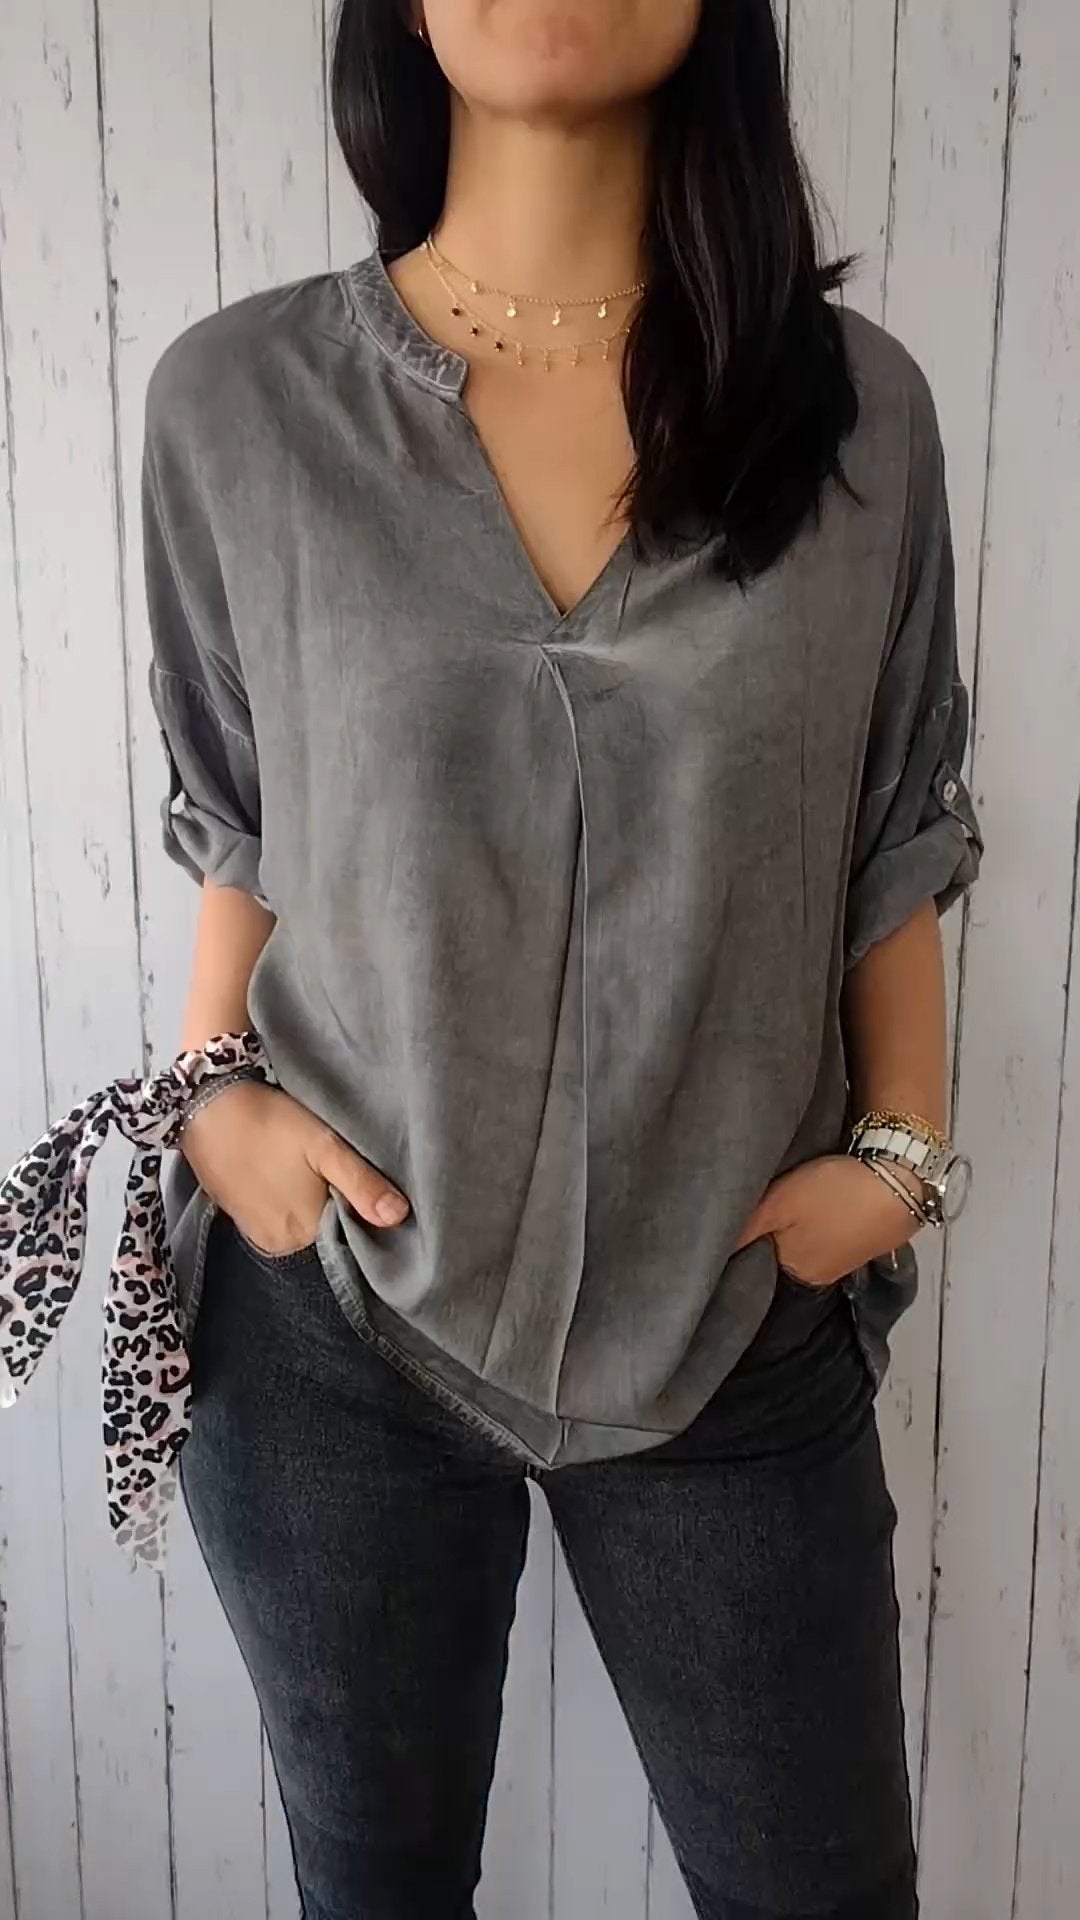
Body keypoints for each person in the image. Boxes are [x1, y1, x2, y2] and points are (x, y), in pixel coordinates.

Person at [140, 2, 983, 1914]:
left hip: (733, 1308)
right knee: (376, 1883)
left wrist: (900, 1158)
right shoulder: (237, 402)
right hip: (331, 1320)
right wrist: (212, 1102)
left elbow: (895, 821)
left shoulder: (856, 410)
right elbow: (240, 809)